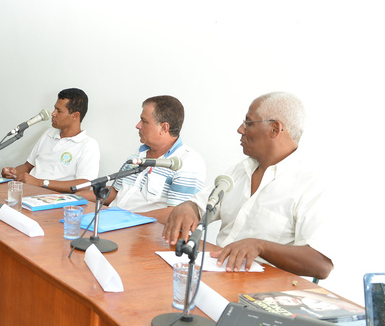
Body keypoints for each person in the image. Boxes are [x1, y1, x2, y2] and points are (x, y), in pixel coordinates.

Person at [162, 92, 333, 280]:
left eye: (249, 123)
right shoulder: (240, 170)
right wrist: (188, 207)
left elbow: (321, 264)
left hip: (261, 290)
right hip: (216, 276)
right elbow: (202, 204)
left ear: (275, 129)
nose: (240, 129)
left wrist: (261, 247)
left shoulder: (312, 184)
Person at [99, 95, 207, 222]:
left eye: (144, 121)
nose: (138, 125)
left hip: (140, 230)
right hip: (111, 221)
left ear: (164, 128)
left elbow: (177, 213)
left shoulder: (188, 162)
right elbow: (116, 192)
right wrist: (80, 195)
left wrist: (127, 219)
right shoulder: (139, 153)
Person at [0, 88, 99, 193]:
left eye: (59, 111)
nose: (53, 113)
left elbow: (84, 185)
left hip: (52, 198)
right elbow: (28, 166)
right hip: (27, 190)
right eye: (54, 109)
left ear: (75, 116)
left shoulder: (88, 145)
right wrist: (14, 172)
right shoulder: (48, 134)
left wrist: (40, 183)